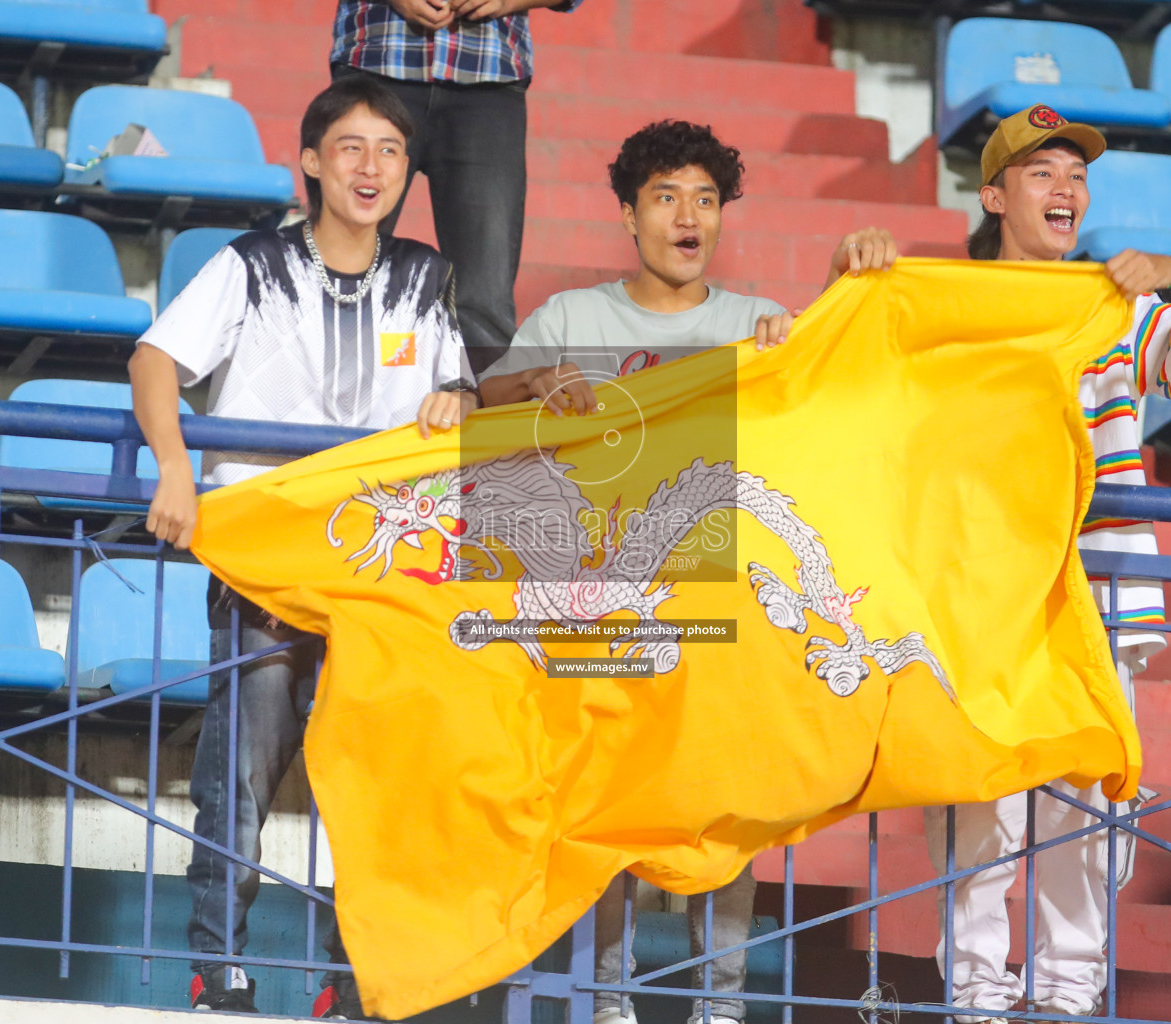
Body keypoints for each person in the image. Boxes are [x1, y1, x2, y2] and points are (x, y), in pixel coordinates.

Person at [834, 105, 1171, 1024]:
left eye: (1076, 175)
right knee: (984, 805)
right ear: (995, 195)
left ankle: (1064, 997)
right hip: (984, 599)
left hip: (1102, 595)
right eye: (1043, 173)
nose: (1066, 189)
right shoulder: (951, 308)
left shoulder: (1119, 301)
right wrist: (846, 265)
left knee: (1083, 813)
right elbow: (851, 357)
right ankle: (976, 994)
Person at [128, 76, 477, 1018]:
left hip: (381, 576)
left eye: (391, 153)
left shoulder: (428, 277)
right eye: (352, 148)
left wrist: (463, 396)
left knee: (372, 784)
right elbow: (154, 360)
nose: (371, 168)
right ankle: (220, 969)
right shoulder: (249, 265)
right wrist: (172, 469)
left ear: (410, 174)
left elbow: (460, 399)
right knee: (239, 773)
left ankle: (353, 977)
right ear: (313, 163)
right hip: (268, 563)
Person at [478, 119, 796, 1024]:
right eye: (665, 198)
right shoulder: (573, 318)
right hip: (597, 604)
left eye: (705, 199)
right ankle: (607, 1002)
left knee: (724, 808)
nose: (687, 217)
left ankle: (720, 1007)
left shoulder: (753, 323)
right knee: (603, 806)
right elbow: (485, 397)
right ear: (628, 214)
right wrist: (538, 384)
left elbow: (824, 410)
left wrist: (796, 346)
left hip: (719, 608)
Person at [330, 0, 583, 375]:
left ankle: (485, 429)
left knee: (484, 302)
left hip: (488, 82)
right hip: (377, 64)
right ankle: (319, 425)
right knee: (341, 273)